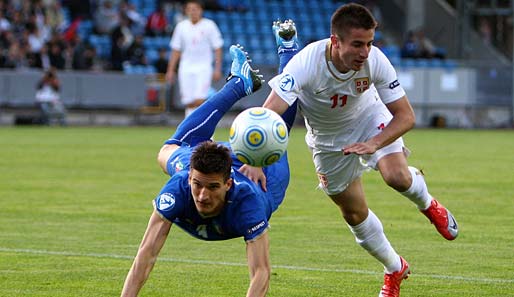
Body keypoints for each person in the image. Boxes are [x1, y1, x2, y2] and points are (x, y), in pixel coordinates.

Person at [250, 5, 459, 297]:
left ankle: (427, 203)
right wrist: (255, 161)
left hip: (369, 118)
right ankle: (394, 268)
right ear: (335, 41)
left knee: (396, 176)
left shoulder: (376, 61)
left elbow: (406, 116)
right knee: (353, 212)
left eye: (370, 43)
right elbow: (268, 112)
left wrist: (374, 144)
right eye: (358, 44)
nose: (365, 52)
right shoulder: (305, 63)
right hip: (327, 141)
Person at [121, 45, 297, 297]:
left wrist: (258, 160)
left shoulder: (249, 203)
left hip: (261, 177)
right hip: (215, 161)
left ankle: (289, 55)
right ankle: (239, 83)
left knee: (276, 132)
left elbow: (261, 273)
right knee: (167, 152)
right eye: (197, 185)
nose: (202, 195)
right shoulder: (180, 187)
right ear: (190, 178)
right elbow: (146, 255)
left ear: (227, 185)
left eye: (212, 187)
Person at [165, 0, 223, 117]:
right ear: (186, 11)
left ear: (201, 10)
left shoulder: (209, 25)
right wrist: (170, 70)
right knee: (188, 101)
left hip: (203, 67)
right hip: (185, 68)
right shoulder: (181, 27)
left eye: (195, 9)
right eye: (190, 9)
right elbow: (176, 50)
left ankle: (204, 129)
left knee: (200, 99)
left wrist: (217, 68)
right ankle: (190, 130)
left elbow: (217, 47)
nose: (193, 12)